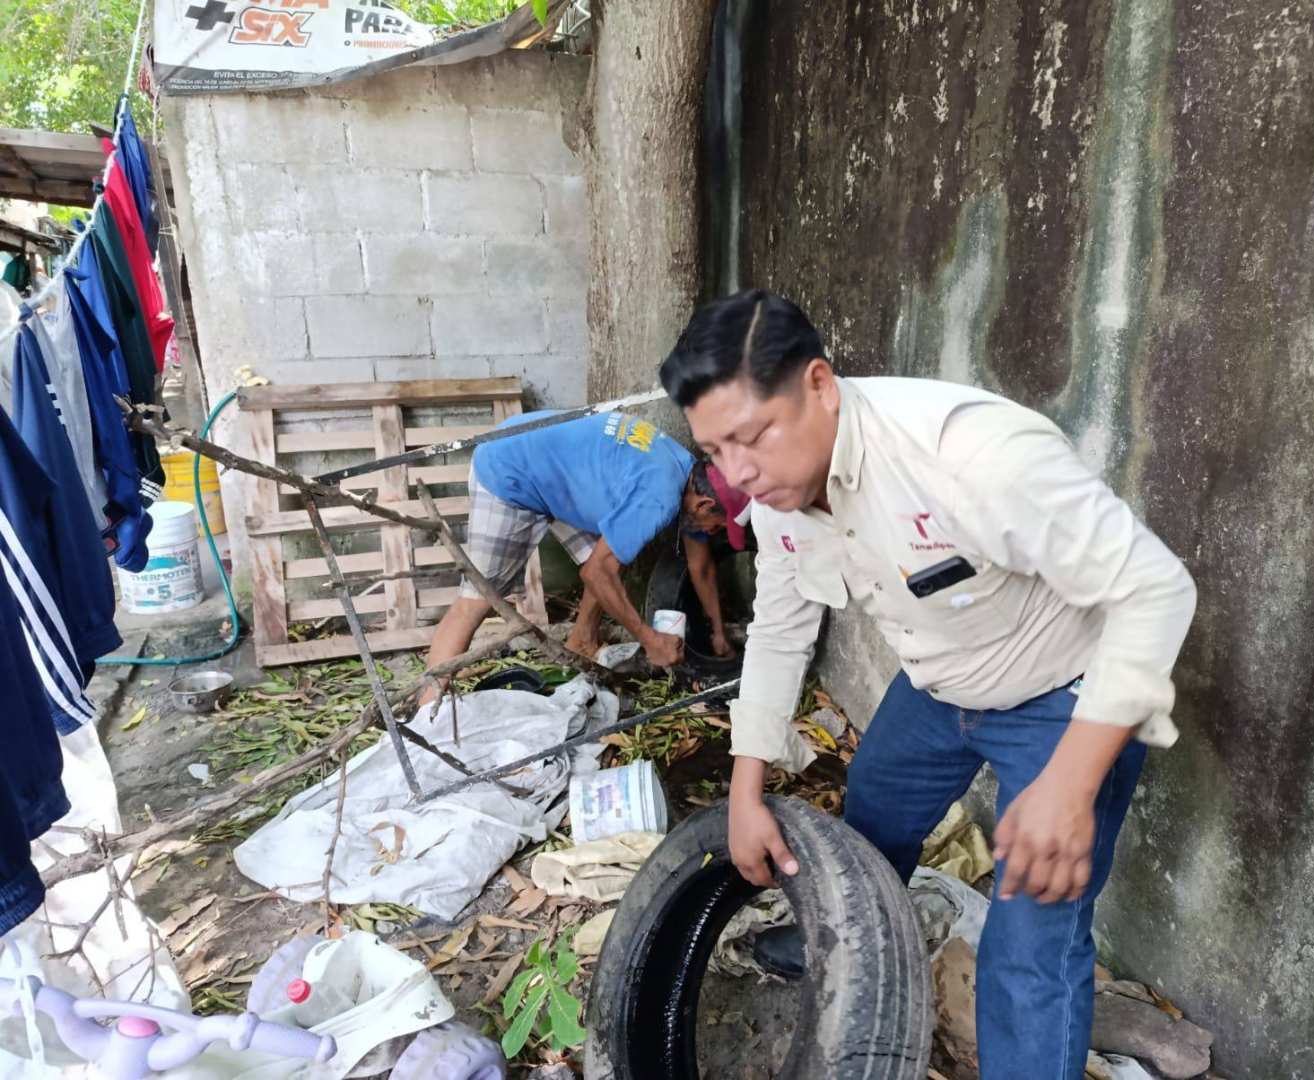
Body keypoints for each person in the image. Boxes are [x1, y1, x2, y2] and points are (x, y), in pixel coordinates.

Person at [659, 290, 1197, 1079]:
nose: (735, 473)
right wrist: (745, 790)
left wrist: (1071, 783)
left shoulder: (971, 456)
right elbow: (778, 630)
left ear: (819, 385)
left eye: (751, 436)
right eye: (713, 451)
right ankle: (842, 943)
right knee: (870, 818)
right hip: (938, 686)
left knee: (1032, 939)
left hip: (1062, 698)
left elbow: (1156, 588)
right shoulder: (772, 491)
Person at [422, 409, 732, 700]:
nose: (715, 534)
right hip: (510, 467)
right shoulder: (660, 496)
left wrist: (717, 633)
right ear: (704, 504)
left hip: (551, 462)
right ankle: (428, 709)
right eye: (719, 526)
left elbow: (700, 566)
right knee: (477, 601)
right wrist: (650, 639)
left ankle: (582, 642)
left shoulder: (691, 470)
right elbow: (596, 573)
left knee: (610, 559)